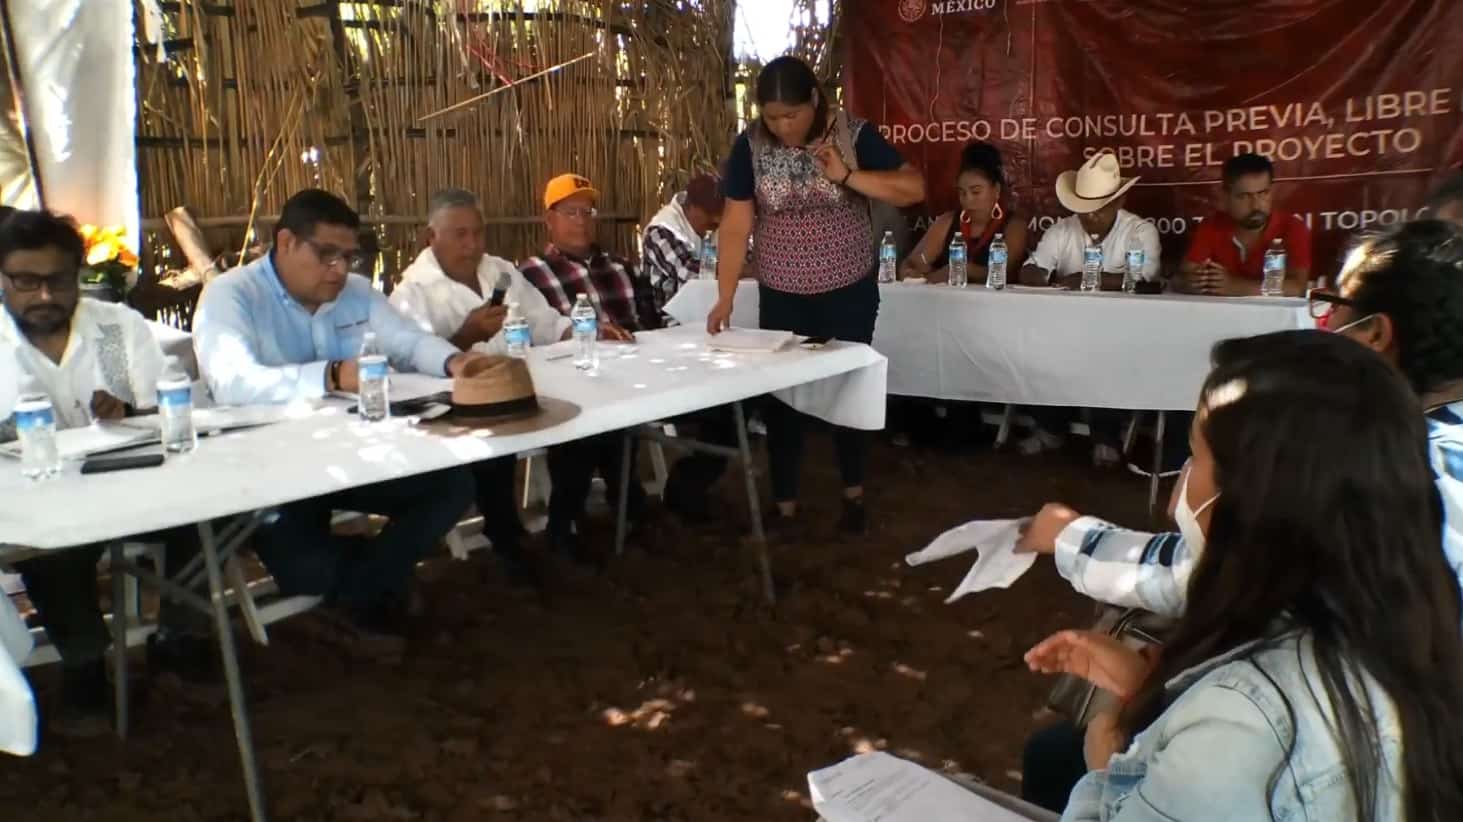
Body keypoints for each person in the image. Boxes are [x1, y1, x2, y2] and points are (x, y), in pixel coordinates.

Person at [1016, 219, 1463, 812]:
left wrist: (1109, 763)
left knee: (1056, 758)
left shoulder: (1249, 715)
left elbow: (1210, 568)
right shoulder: (1398, 531)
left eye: (1199, 457)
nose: (1180, 485)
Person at [194, 189, 477, 658]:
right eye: (327, 255)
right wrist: (329, 375)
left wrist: (455, 363)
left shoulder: (357, 293)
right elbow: (233, 383)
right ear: (286, 242)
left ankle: (351, 605)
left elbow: (407, 341)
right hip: (273, 474)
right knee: (307, 571)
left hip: (352, 459)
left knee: (453, 484)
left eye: (348, 257)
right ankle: (378, 588)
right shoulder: (231, 295)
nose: (340, 269)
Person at [0, 210, 211, 735]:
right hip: (40, 498)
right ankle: (85, 666)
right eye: (26, 281)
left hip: (130, 484)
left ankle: (178, 638)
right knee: (50, 543)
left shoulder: (115, 327)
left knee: (212, 510)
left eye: (58, 280)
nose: (44, 295)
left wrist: (131, 410)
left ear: (78, 275)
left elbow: (168, 402)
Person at [706, 55, 925, 534]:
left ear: (813, 101)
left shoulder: (852, 134)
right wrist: (725, 295)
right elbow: (736, 223)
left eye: (792, 115)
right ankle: (784, 502)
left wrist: (847, 176)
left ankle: (853, 494)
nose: (783, 126)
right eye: (772, 117)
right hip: (782, 294)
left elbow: (913, 188)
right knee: (783, 397)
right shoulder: (750, 146)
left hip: (848, 290)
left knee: (849, 389)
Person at [389, 188, 572, 584]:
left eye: (478, 232)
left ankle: (567, 522)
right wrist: (465, 336)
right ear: (431, 237)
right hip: (460, 406)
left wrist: (578, 330)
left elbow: (543, 320)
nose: (472, 245)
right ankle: (507, 538)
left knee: (585, 415)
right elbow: (405, 368)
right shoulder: (412, 294)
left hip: (522, 384)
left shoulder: (500, 272)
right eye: (460, 234)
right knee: (491, 433)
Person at [518, 174, 652, 559]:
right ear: (549, 219)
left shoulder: (622, 267)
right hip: (569, 384)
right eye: (570, 212)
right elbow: (534, 336)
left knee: (618, 414)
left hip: (633, 376)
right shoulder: (530, 275)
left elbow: (650, 324)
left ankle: (612, 509)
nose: (581, 220)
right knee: (587, 423)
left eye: (587, 212)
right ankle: (585, 516)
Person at [1018, 150, 1160, 291]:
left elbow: (1146, 279)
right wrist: (1037, 275)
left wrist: (1086, 279)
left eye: (1099, 208)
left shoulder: (1140, 232)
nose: (1090, 215)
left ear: (1119, 202)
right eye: (1084, 208)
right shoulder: (1060, 231)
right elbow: (1031, 269)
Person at [1173, 153, 1311, 296]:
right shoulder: (1212, 226)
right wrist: (1192, 283)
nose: (1256, 205)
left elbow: (1297, 288)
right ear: (1225, 197)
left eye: (1263, 193)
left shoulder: (1292, 227)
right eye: (1244, 196)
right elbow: (1180, 279)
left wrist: (1235, 286)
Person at [900, 141, 1028, 284]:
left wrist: (963, 269)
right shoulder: (947, 222)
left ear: (996, 190)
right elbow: (911, 262)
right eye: (962, 193)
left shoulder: (1014, 226)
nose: (968, 200)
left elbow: (1004, 272)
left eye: (976, 192)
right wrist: (910, 271)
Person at [642, 173, 725, 313]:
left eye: (720, 213)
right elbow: (689, 273)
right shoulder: (661, 231)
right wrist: (736, 269)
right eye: (710, 213)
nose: (716, 219)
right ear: (691, 206)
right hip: (669, 320)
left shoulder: (713, 227)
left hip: (708, 313)